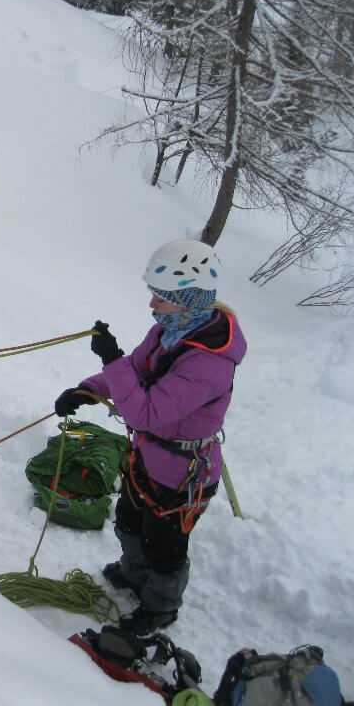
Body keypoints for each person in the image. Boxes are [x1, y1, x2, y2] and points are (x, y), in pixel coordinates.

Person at [54, 239, 246, 634]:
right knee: (128, 519)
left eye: (162, 298)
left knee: (165, 546)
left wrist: (109, 360)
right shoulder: (168, 333)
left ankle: (161, 606)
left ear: (189, 301)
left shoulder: (209, 363)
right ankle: (132, 574)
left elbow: (145, 412)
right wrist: (88, 389)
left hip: (182, 473)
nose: (152, 306)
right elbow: (135, 369)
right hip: (149, 458)